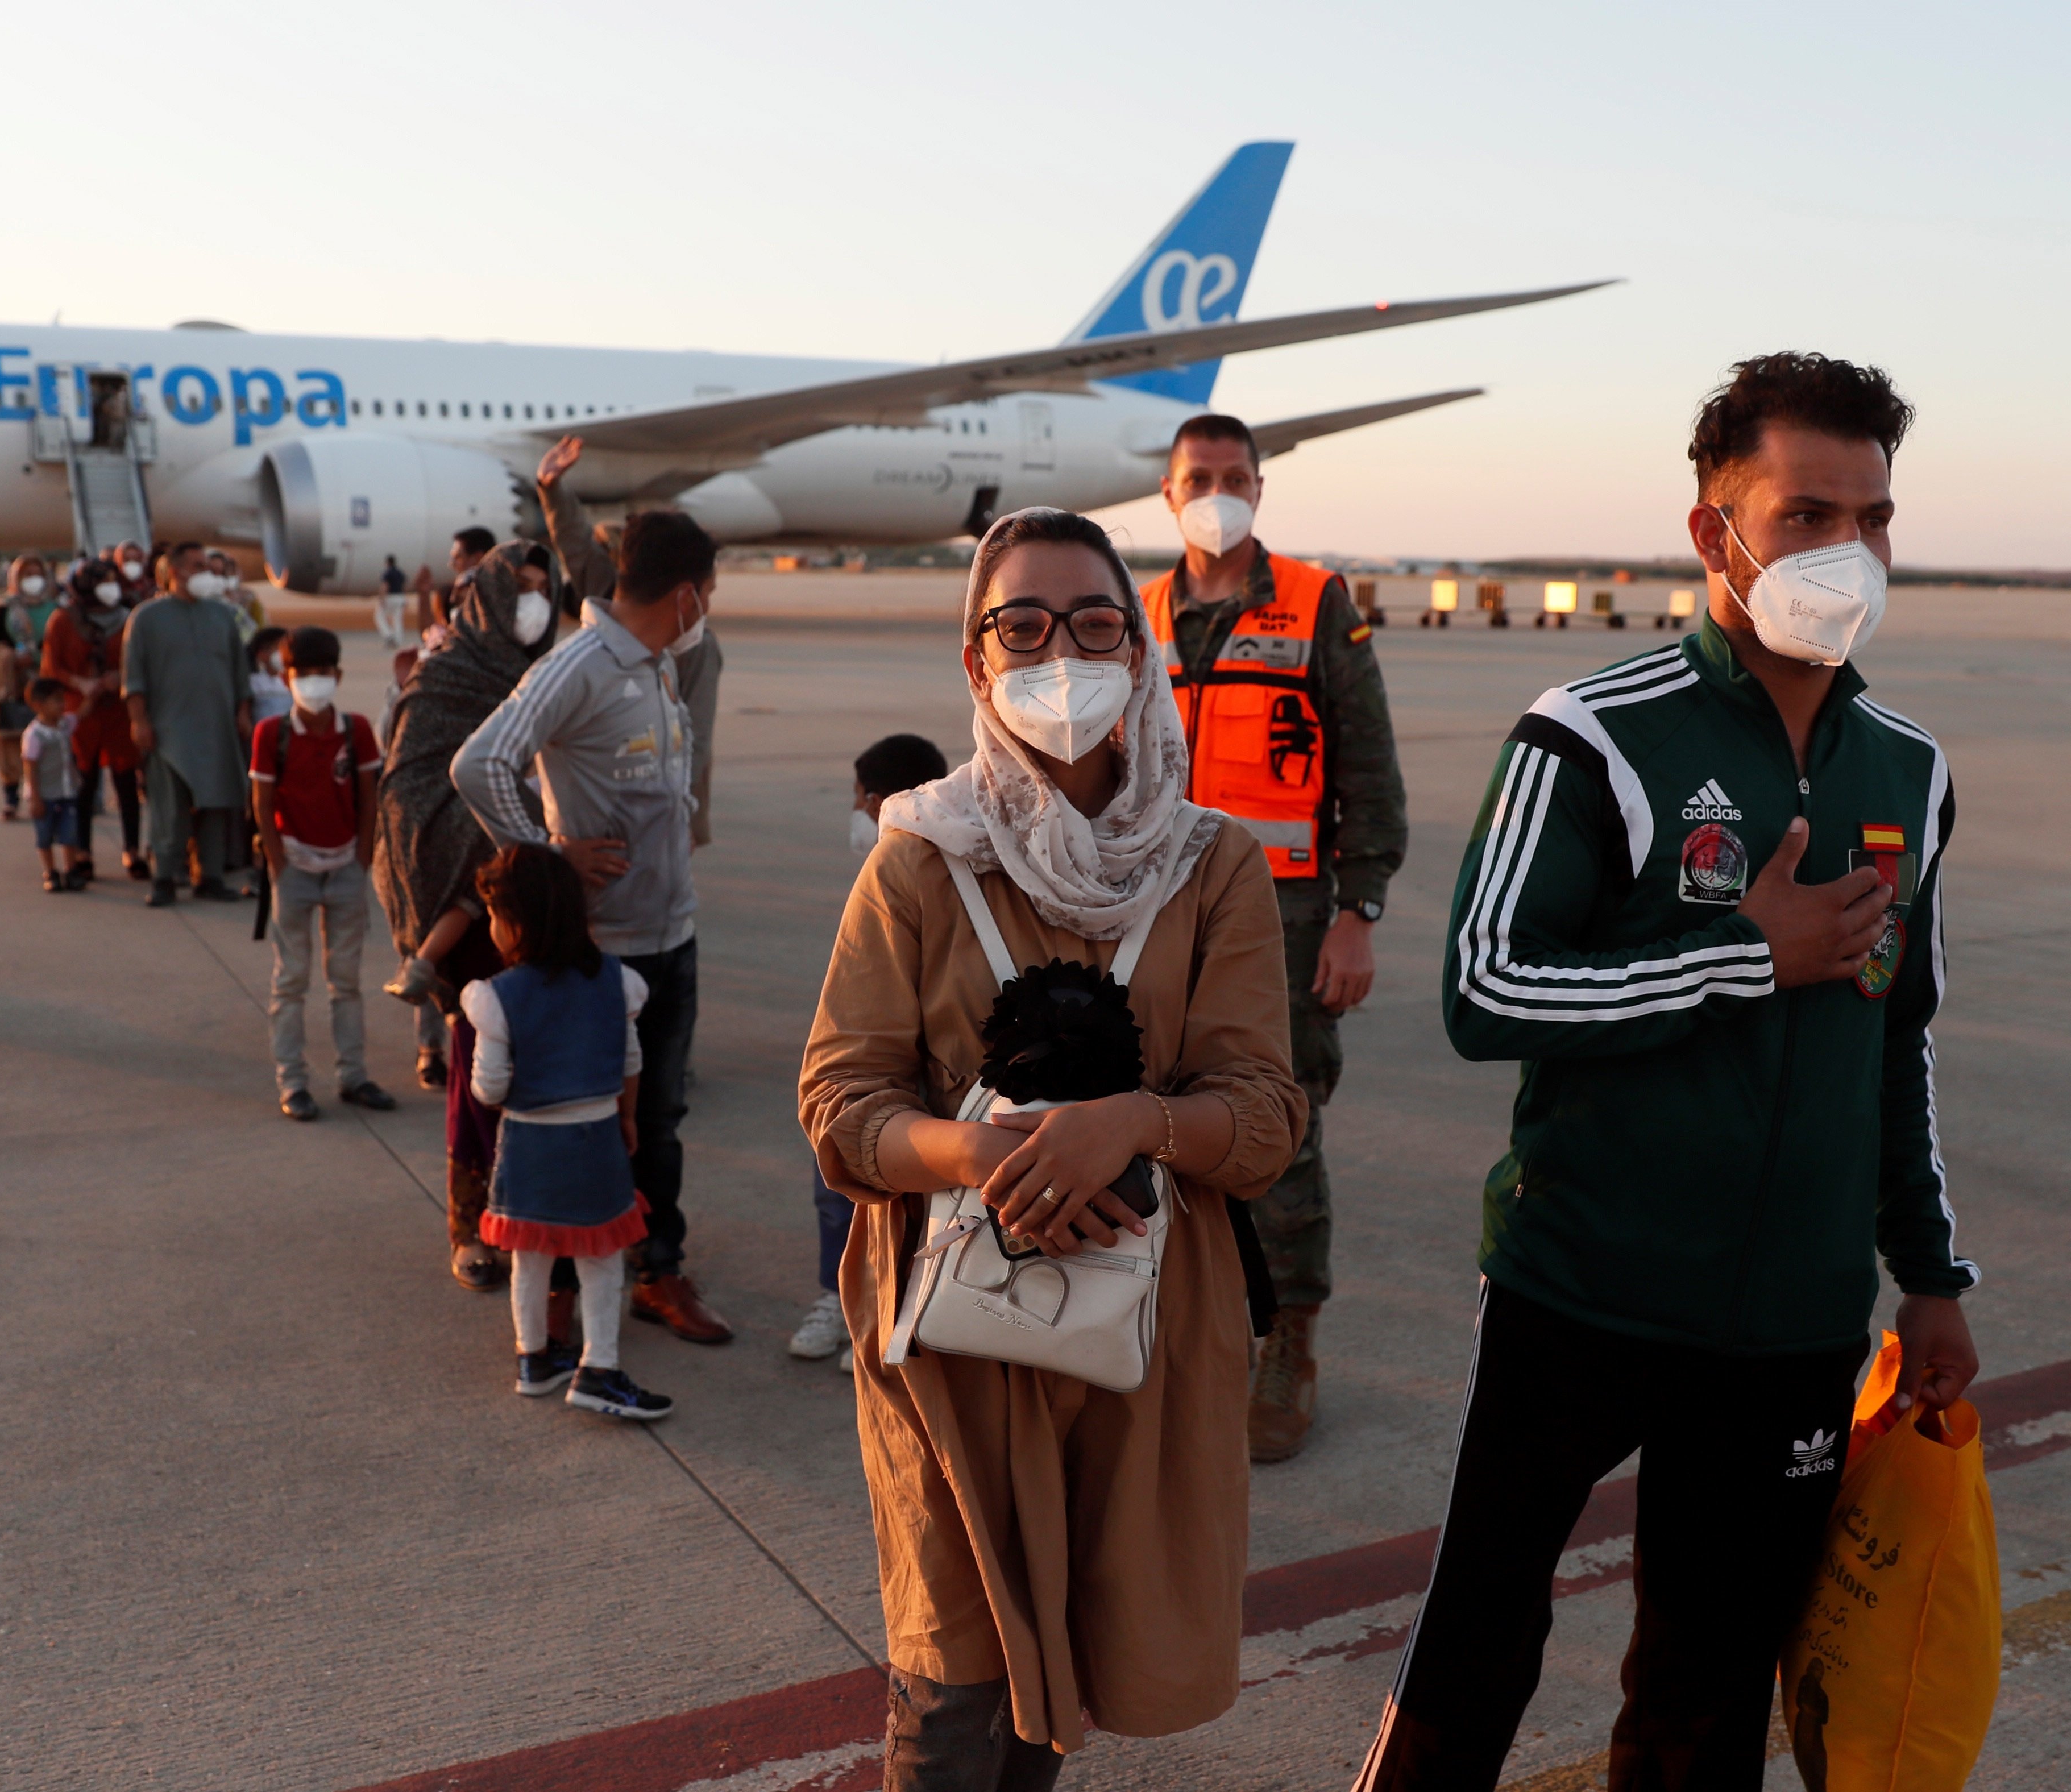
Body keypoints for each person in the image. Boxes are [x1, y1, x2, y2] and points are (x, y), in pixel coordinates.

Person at [1354, 355, 1981, 1791]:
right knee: (1473, 1649)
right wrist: (1735, 960)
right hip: (1579, 1290)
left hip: (1794, 1328)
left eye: (1874, 517)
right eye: (1808, 512)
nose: (1851, 551)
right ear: (1714, 532)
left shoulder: (1910, 770)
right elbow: (1483, 988)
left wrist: (1927, 1272)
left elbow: (1899, 1035)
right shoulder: (1590, 735)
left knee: (1706, 1697)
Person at [798, 506, 1304, 1782]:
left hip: (1139, 1326)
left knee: (1067, 1678)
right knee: (953, 1696)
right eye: (1019, 624)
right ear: (975, 660)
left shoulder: (1212, 866)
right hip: (953, 1325)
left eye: (1091, 623)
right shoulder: (916, 858)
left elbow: (1261, 1114)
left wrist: (1132, 1124)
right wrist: (971, 1157)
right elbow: (839, 1101)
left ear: (1137, 654)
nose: (1057, 651)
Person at [1136, 412, 1407, 1462]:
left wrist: (1359, 912)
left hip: (1286, 918)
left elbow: (1369, 768)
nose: (1217, 489)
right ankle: (1190, 1327)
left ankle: (1289, 1339)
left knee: (1279, 1124)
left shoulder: (1314, 602)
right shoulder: (1140, 610)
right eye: (1198, 476)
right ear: (1168, 493)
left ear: (1260, 487)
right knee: (1160, 1116)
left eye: (1234, 475)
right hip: (1160, 912)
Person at [453, 500, 731, 1346]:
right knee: (579, 1116)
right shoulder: (578, 665)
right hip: (597, 950)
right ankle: (567, 1282)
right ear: (686, 594)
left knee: (661, 1119)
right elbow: (481, 762)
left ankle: (657, 1269)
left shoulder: (654, 664)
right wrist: (546, 858)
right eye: (710, 591)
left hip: (668, 934)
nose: (708, 608)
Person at [372, 542, 560, 1287]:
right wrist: (468, 834)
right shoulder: (446, 673)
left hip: (537, 897)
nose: (535, 603)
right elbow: (406, 787)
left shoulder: (552, 673)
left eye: (546, 590)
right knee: (478, 1079)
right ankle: (469, 1228)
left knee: (545, 1075)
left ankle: (537, 1218)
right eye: (522, 588)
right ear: (485, 592)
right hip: (475, 901)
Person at [465, 843, 675, 1420]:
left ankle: (534, 1359)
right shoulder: (616, 982)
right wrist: (628, 1118)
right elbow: (631, 1061)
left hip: (529, 1146)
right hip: (597, 1141)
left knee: (530, 1257)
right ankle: (598, 1367)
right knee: (603, 1256)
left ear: (516, 923)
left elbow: (488, 1088)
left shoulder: (496, 997)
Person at [787, 731, 948, 1368]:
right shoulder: (878, 876)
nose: (855, 810)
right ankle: (838, 1295)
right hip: (869, 1066)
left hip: (924, 1073)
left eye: (858, 798)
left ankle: (896, 1305)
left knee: (919, 1195)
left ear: (878, 800)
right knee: (839, 1183)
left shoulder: (945, 870)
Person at [536, 436, 726, 846]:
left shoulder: (697, 646)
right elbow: (576, 543)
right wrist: (552, 491)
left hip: (667, 810)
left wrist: (680, 817)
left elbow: (696, 737)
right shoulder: (606, 606)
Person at [251, 625, 399, 1121]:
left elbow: (369, 797)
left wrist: (360, 860)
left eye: (322, 674)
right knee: (290, 981)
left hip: (345, 870)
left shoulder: (356, 730)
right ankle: (292, 1082)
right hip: (295, 867)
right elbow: (262, 801)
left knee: (347, 981)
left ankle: (353, 1074)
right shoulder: (273, 734)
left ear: (337, 675)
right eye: (303, 674)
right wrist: (278, 865)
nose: (313, 683)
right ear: (285, 676)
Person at [125, 543, 253, 907]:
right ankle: (165, 877)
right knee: (171, 808)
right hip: (169, 731)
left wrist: (243, 713)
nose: (207, 572)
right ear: (175, 572)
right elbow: (133, 679)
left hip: (217, 728)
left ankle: (209, 877)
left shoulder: (223, 616)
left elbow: (239, 674)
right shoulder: (146, 618)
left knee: (216, 803)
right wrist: (140, 722)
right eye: (198, 566)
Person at [41, 557, 146, 885]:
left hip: (119, 711)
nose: (111, 588)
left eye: (114, 581)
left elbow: (141, 661)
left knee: (127, 783)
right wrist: (78, 682)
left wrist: (122, 677)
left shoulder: (128, 619)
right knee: (83, 787)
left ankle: (132, 849)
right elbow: (50, 668)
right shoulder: (63, 621)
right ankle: (84, 853)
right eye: (103, 582)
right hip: (81, 712)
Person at [0, 554, 54, 821]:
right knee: (9, 743)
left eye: (37, 574)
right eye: (27, 575)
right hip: (12, 685)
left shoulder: (55, 608)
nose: (33, 580)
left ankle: (41, 795)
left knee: (46, 743)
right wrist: (11, 659)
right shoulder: (4, 609)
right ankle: (11, 798)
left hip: (47, 683)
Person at [20, 677, 90, 892]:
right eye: (57, 701)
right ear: (38, 705)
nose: (63, 705)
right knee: (45, 836)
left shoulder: (65, 724)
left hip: (67, 792)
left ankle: (70, 870)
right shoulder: (34, 735)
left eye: (63, 700)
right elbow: (30, 767)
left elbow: (81, 714)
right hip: (45, 796)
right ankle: (51, 871)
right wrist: (36, 799)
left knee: (69, 834)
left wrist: (93, 693)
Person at [245, 625, 293, 725]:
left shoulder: (295, 681)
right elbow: (245, 717)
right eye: (278, 647)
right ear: (261, 654)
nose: (284, 653)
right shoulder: (253, 683)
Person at [376, 553, 409, 649]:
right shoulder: (400, 573)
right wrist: (405, 598)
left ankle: (389, 635)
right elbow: (404, 586)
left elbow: (385, 586)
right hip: (400, 597)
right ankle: (398, 640)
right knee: (398, 620)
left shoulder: (388, 573)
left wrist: (382, 598)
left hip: (390, 597)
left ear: (387, 563)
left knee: (379, 616)